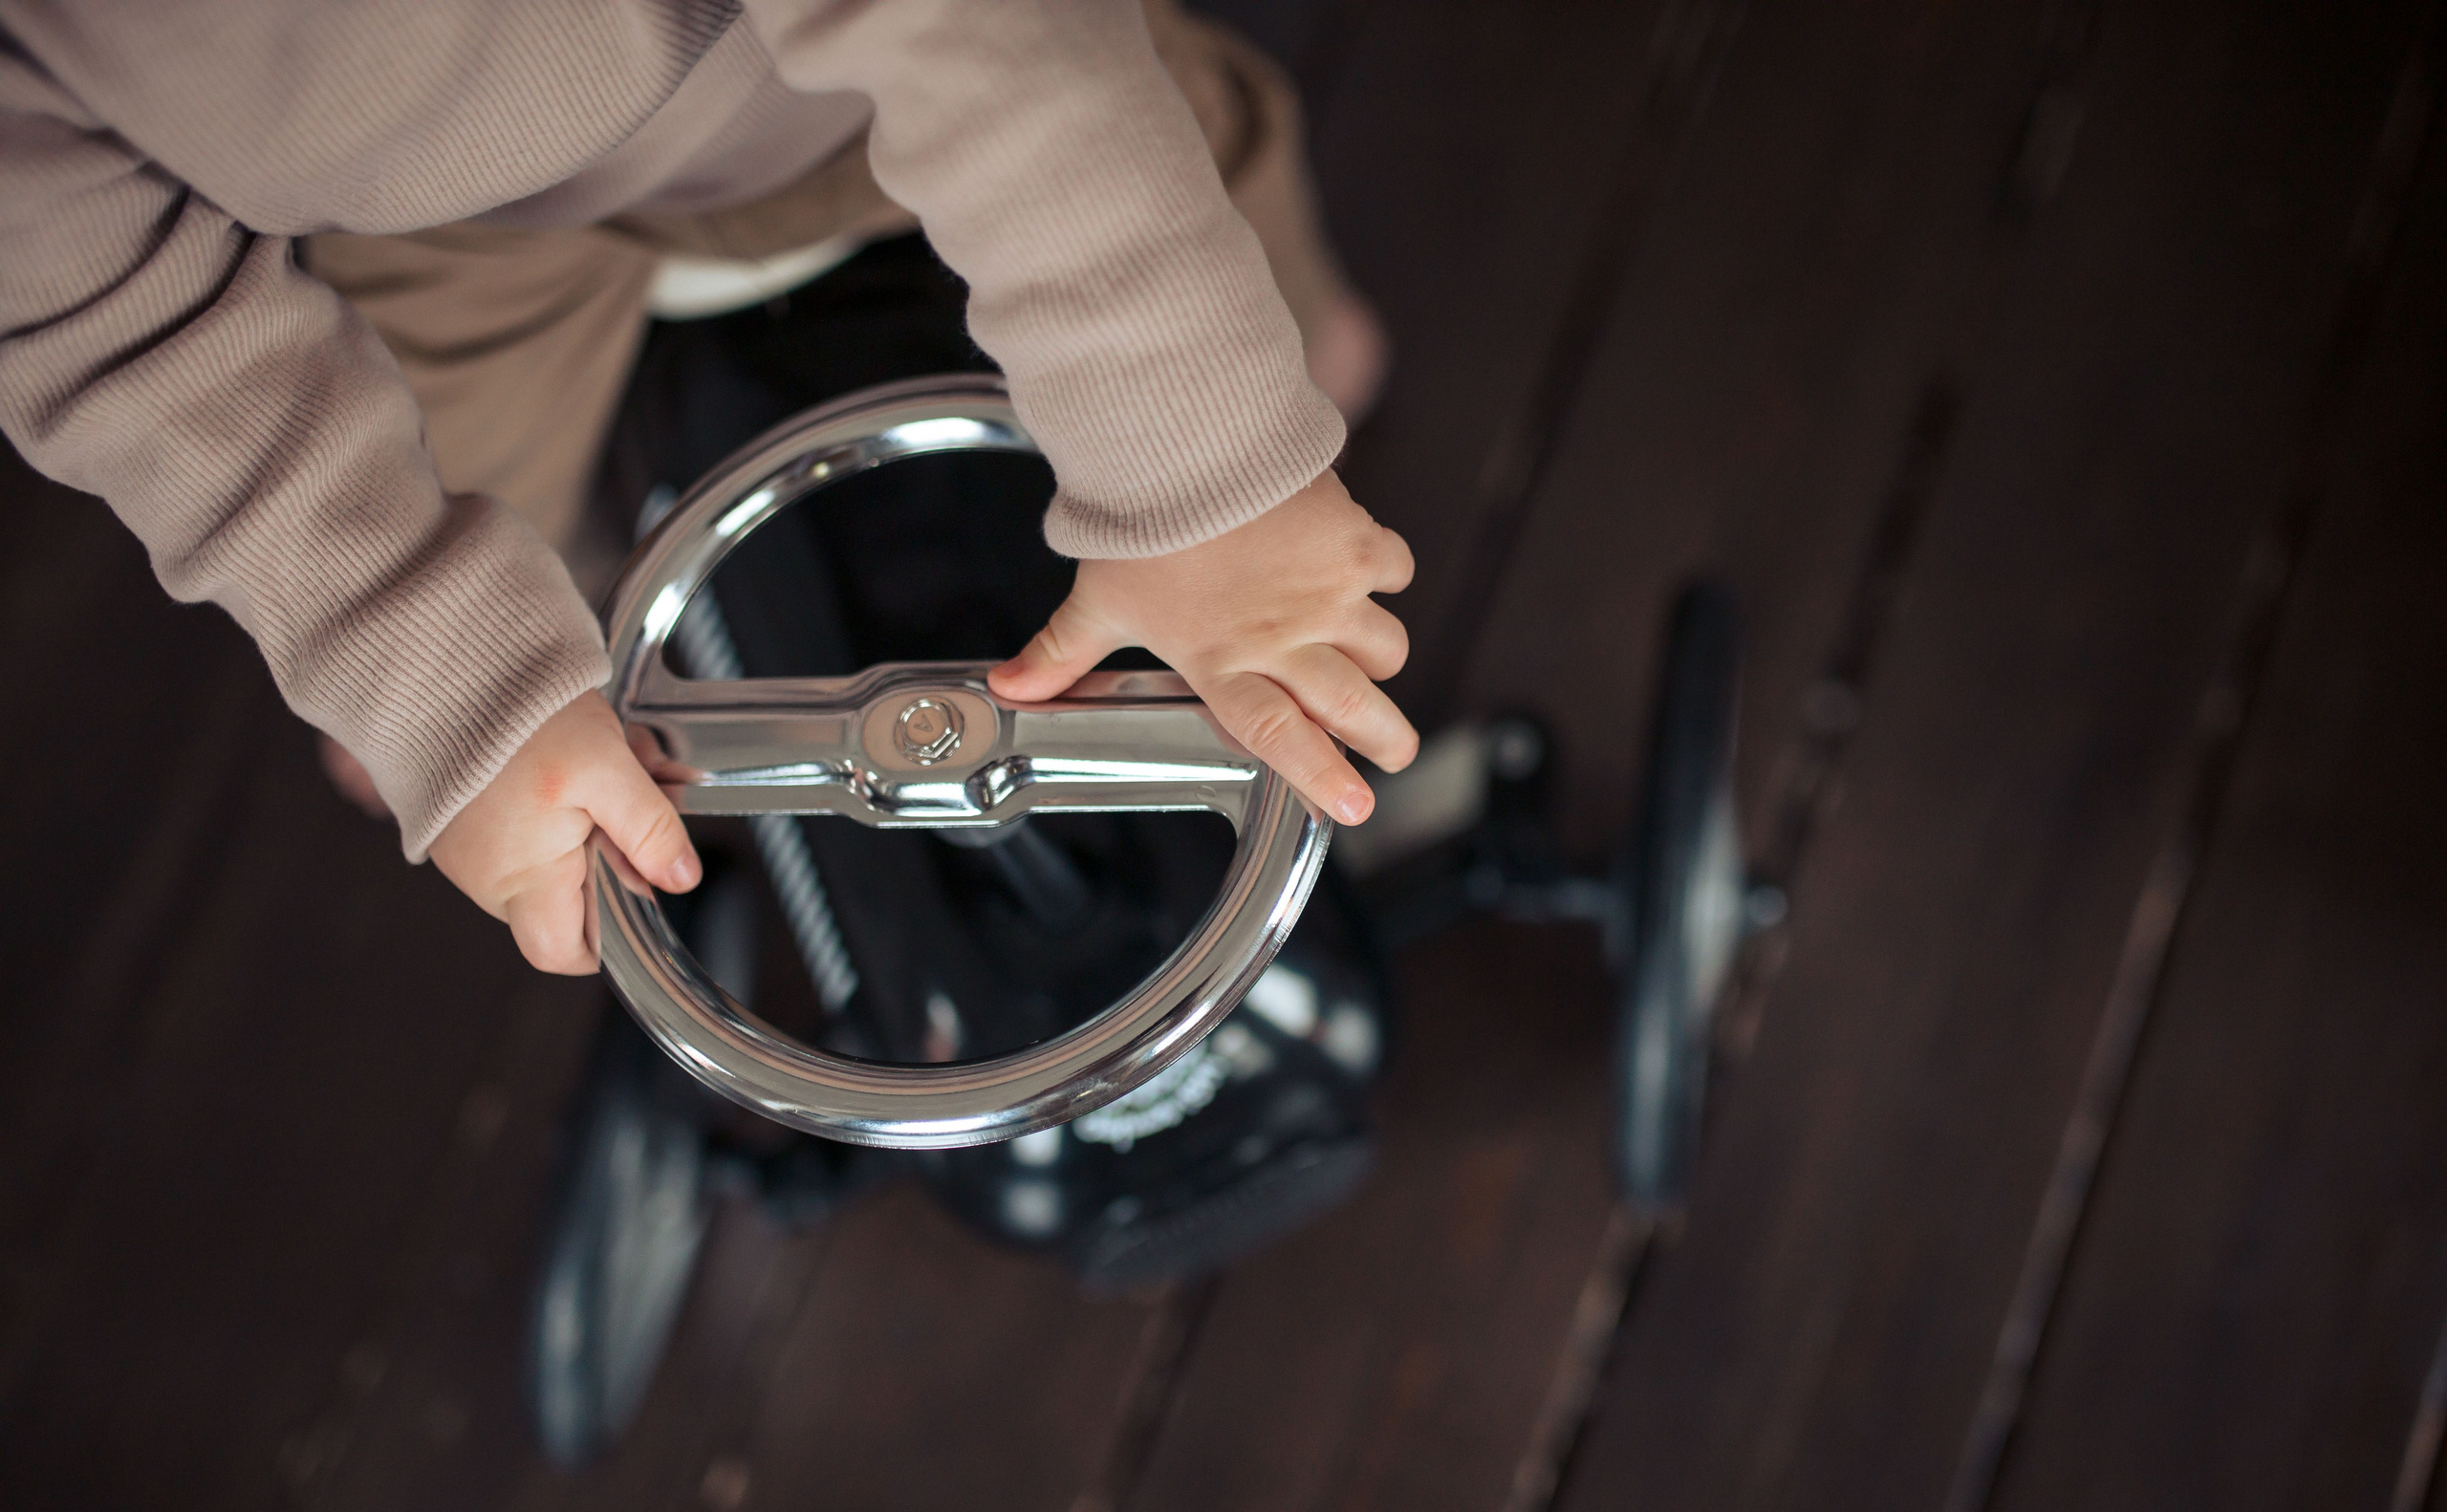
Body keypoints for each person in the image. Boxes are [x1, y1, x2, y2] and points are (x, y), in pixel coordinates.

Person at [0, 0, 1418, 976]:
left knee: (1253, 315)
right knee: (414, 740)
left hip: (888, 71)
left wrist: (1210, 472)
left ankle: (1299, 412)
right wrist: (420, 659)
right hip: (456, 236)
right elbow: (102, 311)